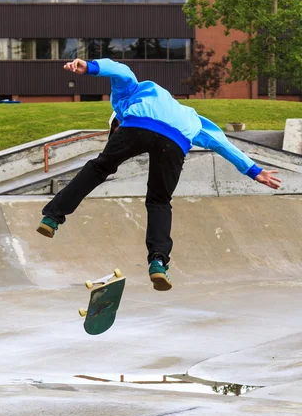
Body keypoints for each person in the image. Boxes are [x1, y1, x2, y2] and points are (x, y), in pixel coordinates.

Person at [37, 58, 281, 291]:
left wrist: (91, 68)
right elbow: (221, 143)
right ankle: (158, 263)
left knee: (99, 167)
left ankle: (52, 217)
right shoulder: (193, 117)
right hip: (175, 142)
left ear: (116, 121)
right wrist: (254, 171)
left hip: (139, 126)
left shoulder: (126, 97)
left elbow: (120, 71)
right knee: (159, 201)